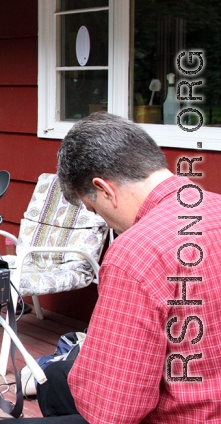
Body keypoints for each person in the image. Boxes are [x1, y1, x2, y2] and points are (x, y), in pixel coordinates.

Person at [12, 112, 221, 423]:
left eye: (95, 209)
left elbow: (113, 412)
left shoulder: (136, 253)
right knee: (56, 379)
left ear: (105, 189)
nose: (104, 221)